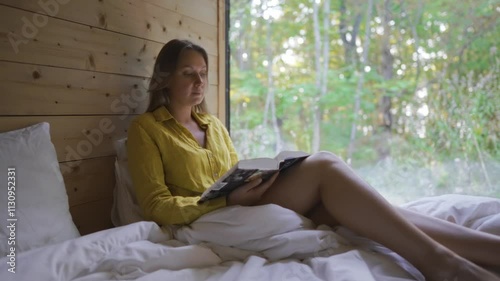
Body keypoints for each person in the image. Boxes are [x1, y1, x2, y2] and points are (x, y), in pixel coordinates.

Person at [127, 39, 500, 281]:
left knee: (348, 208)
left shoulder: (214, 125)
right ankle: (441, 265)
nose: (198, 81)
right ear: (164, 79)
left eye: (203, 74)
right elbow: (156, 205)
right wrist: (227, 199)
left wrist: (255, 181)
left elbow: (232, 173)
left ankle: (485, 251)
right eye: (188, 73)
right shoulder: (147, 130)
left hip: (242, 205)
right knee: (323, 165)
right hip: (212, 218)